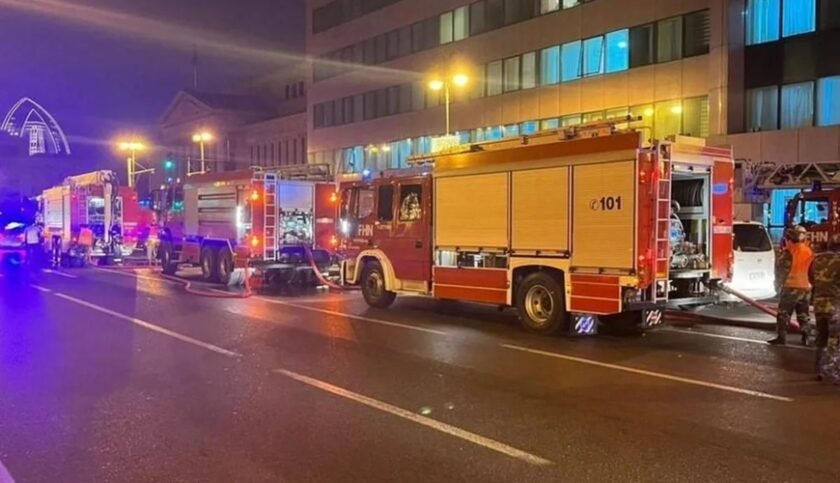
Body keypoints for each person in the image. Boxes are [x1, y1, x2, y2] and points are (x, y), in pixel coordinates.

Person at [769, 225, 815, 345]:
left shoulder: (788, 253)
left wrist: (777, 286)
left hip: (790, 287)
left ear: (789, 240)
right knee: (803, 314)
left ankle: (781, 337)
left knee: (784, 314)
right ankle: (806, 337)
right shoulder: (808, 251)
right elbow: (812, 270)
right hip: (805, 287)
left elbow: (781, 271)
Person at [810, 237, 840, 381]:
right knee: (835, 339)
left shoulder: (816, 260)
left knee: (821, 337)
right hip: (835, 305)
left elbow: (811, 279)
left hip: (819, 304)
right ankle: (831, 370)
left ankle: (819, 370)